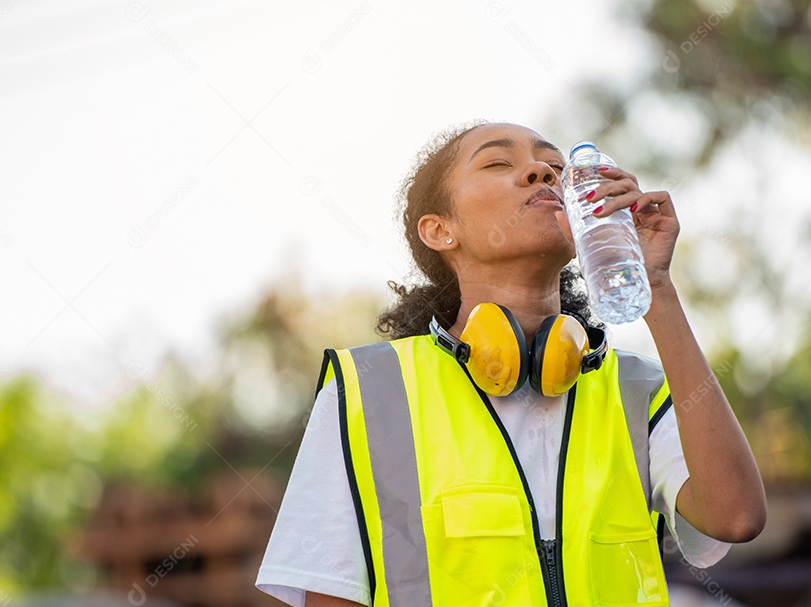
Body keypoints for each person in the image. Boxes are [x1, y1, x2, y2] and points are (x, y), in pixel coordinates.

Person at [255, 121, 767, 606]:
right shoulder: (367, 389)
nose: (542, 173)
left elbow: (737, 516)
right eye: (499, 163)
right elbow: (330, 593)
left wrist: (654, 289)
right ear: (439, 231)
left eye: (554, 166)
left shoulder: (638, 387)